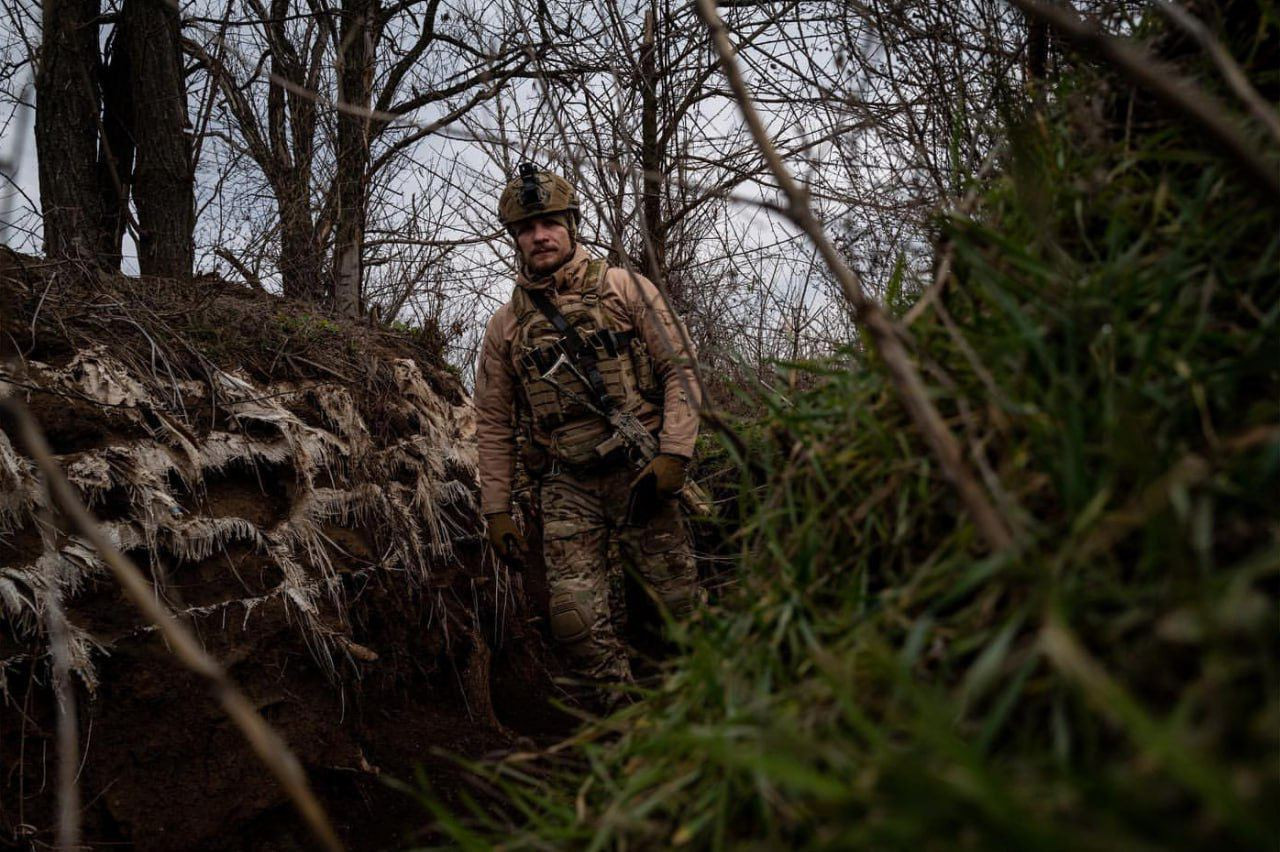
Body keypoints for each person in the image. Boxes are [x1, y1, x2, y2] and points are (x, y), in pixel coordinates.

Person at [474, 162, 701, 687]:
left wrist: (675, 454)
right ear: (515, 239)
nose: (540, 235)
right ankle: (623, 723)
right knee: (574, 623)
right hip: (566, 483)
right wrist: (496, 510)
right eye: (527, 229)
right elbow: (492, 421)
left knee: (677, 608)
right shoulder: (505, 326)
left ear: (571, 224)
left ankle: (691, 712)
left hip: (640, 471)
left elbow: (679, 368)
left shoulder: (624, 288)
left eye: (549, 222)